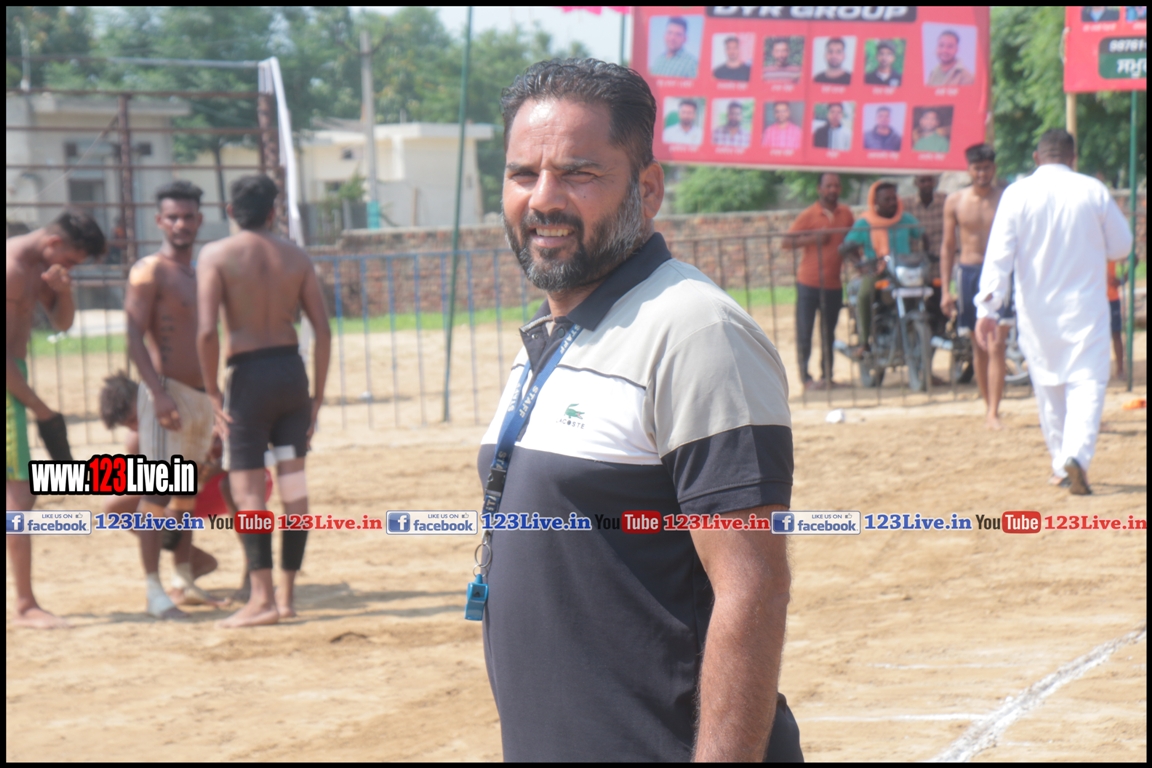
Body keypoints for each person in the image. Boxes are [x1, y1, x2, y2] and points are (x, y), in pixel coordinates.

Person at [486, 57, 800, 761]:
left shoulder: (696, 330)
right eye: (523, 174)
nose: (543, 199)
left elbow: (752, 587)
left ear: (648, 188)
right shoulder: (555, 334)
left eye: (579, 173)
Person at [196, 174, 331, 627]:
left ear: (230, 211)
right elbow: (323, 330)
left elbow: (206, 331)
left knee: (249, 491)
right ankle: (287, 597)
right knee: (294, 489)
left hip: (248, 378)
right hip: (291, 374)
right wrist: (317, 397)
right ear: (273, 212)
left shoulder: (216, 255)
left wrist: (212, 393)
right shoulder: (296, 257)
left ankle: (261, 599)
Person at [975, 129, 1132, 494]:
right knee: (1087, 383)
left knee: (1048, 387)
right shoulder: (1092, 190)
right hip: (1085, 309)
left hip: (1036, 312)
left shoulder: (1016, 194)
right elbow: (1122, 247)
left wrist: (987, 308)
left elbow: (998, 257)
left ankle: (1061, 465)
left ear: (1036, 158)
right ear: (1073, 158)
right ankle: (1076, 456)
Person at [124, 181, 219, 619]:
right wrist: (158, 393)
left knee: (186, 495)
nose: (181, 224)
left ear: (200, 220)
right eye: (173, 217)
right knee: (156, 493)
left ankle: (183, 578)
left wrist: (215, 397)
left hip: (201, 398)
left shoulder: (202, 273)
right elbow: (132, 334)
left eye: (188, 216)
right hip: (167, 395)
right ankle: (152, 589)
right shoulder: (149, 271)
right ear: (159, 221)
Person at [7, 209, 105, 628]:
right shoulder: (12, 270)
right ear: (53, 243)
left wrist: (63, 292)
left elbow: (62, 324)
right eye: (69, 261)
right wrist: (40, 408)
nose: (69, 269)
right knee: (18, 495)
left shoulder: (38, 268)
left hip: (14, 377)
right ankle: (25, 605)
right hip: (9, 381)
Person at [98, 371, 222, 606]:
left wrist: (206, 468)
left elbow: (231, 455)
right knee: (117, 507)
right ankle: (191, 561)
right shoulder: (137, 440)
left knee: (178, 494)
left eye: (135, 418)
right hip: (184, 491)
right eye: (130, 425)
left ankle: (247, 577)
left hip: (218, 485)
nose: (137, 427)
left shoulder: (185, 407)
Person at [941, 146, 1008, 428]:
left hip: (998, 272)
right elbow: (948, 247)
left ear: (994, 168)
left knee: (997, 343)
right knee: (978, 344)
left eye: (987, 168)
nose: (982, 174)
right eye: (977, 168)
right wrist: (946, 290)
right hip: (968, 273)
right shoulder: (955, 201)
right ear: (969, 170)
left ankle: (994, 410)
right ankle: (987, 406)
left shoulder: (1005, 198)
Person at [787, 173, 856, 389]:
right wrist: (814, 238)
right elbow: (786, 242)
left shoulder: (846, 214)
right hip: (808, 283)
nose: (832, 189)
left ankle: (827, 377)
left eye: (836, 185)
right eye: (828, 186)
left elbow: (852, 243)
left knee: (829, 332)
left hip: (833, 284)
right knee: (805, 331)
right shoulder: (809, 214)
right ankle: (806, 378)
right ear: (819, 189)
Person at [839, 181, 923, 356]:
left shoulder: (905, 219)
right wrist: (861, 266)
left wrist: (924, 255)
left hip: (903, 269)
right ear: (875, 201)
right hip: (878, 270)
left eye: (894, 198)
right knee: (865, 295)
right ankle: (864, 342)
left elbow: (922, 235)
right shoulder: (865, 222)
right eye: (887, 199)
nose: (892, 203)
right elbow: (846, 247)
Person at [904, 174, 948, 358]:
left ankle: (932, 353)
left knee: (941, 312)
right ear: (916, 183)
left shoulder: (945, 201)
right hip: (914, 269)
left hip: (940, 267)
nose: (926, 184)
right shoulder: (906, 205)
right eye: (922, 180)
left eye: (929, 180)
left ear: (935, 182)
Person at [1107, 261, 1125, 379]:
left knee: (1116, 333)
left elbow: (1134, 258)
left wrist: (1122, 280)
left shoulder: (1110, 252)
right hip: (1093, 298)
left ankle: (1120, 370)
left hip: (1111, 298)